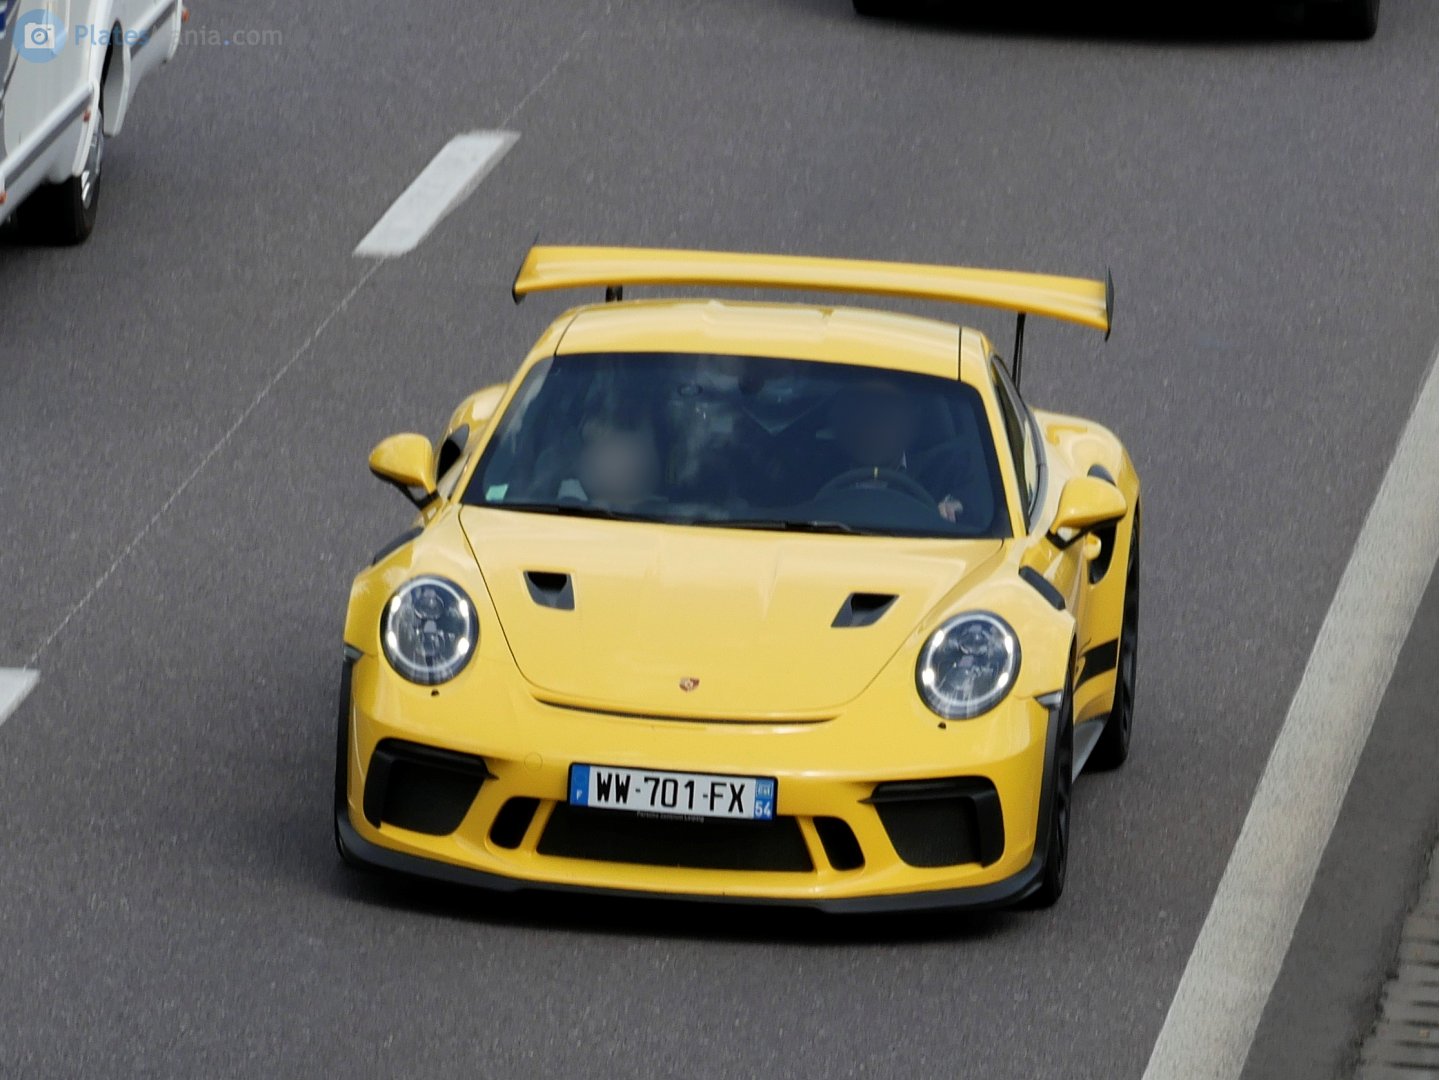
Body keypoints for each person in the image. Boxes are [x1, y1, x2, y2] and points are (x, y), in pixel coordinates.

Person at [823, 379, 972, 523]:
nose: (872, 421)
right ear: (840, 418)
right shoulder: (807, 473)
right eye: (860, 407)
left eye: (885, 408)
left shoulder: (943, 473)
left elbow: (980, 506)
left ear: (911, 421)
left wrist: (956, 506)